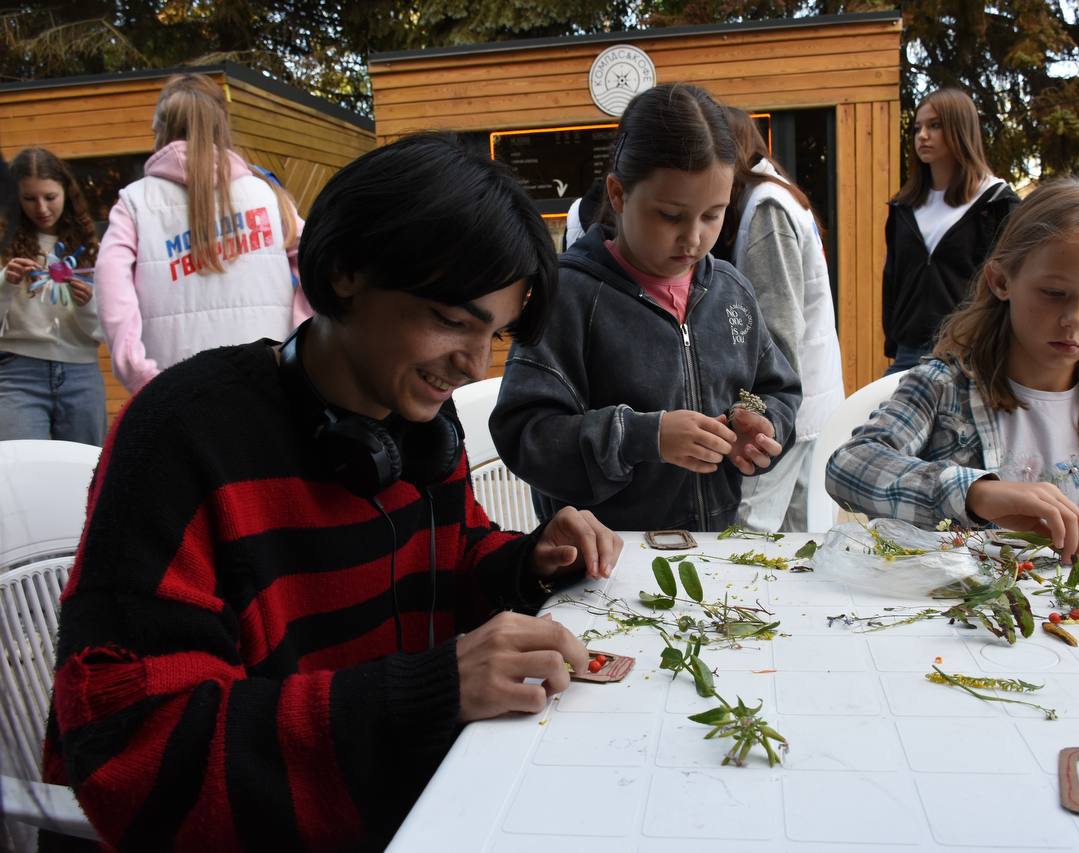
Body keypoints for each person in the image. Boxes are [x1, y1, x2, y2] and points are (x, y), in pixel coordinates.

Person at [44, 132, 623, 852]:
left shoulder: (419, 416)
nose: (473, 364)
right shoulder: (180, 434)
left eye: (496, 335)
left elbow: (450, 555)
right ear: (348, 269)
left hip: (436, 806)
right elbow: (131, 748)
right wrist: (425, 695)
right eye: (451, 320)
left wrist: (527, 561)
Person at [491, 83, 801, 532]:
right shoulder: (569, 296)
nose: (693, 237)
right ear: (617, 195)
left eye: (713, 214)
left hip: (712, 556)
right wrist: (644, 436)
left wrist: (761, 424)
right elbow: (526, 435)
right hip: (602, 564)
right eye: (670, 216)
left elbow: (777, 388)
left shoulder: (731, 291)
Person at [828, 176, 1079, 562]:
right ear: (1001, 281)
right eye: (1054, 293)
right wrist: (975, 493)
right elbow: (849, 466)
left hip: (1076, 618)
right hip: (952, 612)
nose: (1076, 318)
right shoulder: (942, 386)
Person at [95, 73, 309, 394]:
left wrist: (138, 373)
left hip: (174, 389)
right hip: (265, 379)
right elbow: (323, 262)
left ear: (160, 129)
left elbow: (110, 285)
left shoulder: (136, 203)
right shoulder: (267, 196)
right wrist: (298, 340)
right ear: (222, 125)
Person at [716, 108, 844, 532]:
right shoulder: (772, 195)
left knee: (745, 536)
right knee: (798, 540)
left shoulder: (766, 206)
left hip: (785, 413)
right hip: (805, 405)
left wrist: (755, 406)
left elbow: (778, 328)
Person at [882, 87, 1020, 374]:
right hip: (909, 353)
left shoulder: (996, 204)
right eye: (917, 127)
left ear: (960, 129)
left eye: (935, 126)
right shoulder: (903, 207)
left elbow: (1011, 281)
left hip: (971, 352)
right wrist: (894, 339)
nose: (922, 135)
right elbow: (893, 276)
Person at [0, 148, 106, 445]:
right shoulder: (4, 245)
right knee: (17, 473)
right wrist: (5, 283)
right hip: (17, 373)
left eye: (50, 197)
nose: (42, 208)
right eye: (29, 199)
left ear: (66, 192)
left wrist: (87, 304)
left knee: (86, 474)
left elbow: (103, 330)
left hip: (80, 372)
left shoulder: (91, 247)